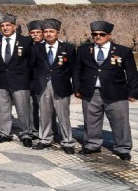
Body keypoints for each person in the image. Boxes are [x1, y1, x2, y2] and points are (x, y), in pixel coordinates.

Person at [73, 21, 138, 161]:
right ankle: (92, 145)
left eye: (101, 34)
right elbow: (77, 71)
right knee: (91, 120)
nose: (98, 36)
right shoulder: (84, 50)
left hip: (117, 93)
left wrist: (133, 92)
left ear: (109, 35)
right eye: (94, 34)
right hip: (91, 92)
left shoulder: (123, 51)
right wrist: (77, 89)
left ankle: (123, 148)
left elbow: (132, 73)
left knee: (120, 122)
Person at [0, 13, 34, 147]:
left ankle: (26, 134)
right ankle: (4, 133)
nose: (5, 28)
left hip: (20, 81)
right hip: (1, 81)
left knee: (23, 110)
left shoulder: (26, 41)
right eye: (2, 26)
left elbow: (31, 63)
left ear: (14, 27)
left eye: (8, 25)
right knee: (3, 109)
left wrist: (29, 81)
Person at [31, 19, 75, 153]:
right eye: (46, 31)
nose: (48, 34)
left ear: (58, 32)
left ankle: (67, 142)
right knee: (44, 114)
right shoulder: (36, 48)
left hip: (61, 85)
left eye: (51, 31)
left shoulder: (68, 48)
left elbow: (73, 68)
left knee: (63, 115)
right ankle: (45, 139)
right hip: (43, 86)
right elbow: (32, 67)